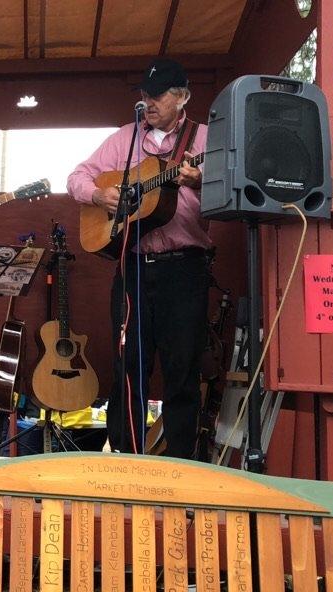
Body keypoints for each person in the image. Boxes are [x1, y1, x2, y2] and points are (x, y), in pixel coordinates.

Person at [67, 58, 211, 459]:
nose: (149, 102)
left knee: (183, 371)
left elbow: (229, 201)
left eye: (158, 95)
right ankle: (126, 461)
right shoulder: (125, 139)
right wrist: (99, 195)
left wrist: (202, 183)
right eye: (145, 96)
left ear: (182, 97)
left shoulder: (205, 141)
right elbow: (77, 176)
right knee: (128, 368)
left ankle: (184, 465)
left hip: (184, 269)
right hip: (132, 269)